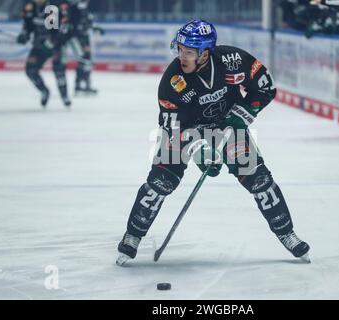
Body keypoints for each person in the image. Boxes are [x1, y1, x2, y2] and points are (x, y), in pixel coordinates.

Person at [116, 20, 311, 266]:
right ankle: (132, 235)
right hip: (184, 131)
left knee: (260, 180)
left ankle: (287, 234)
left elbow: (265, 87)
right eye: (179, 50)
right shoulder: (172, 81)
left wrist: (241, 115)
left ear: (205, 54)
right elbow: (171, 128)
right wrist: (200, 150)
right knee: (159, 183)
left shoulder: (232, 60)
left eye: (188, 52)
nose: (181, 57)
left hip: (228, 126)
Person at [16, 0, 73, 108]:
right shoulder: (30, 7)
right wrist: (24, 35)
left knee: (59, 70)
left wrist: (54, 41)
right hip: (39, 46)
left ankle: (64, 96)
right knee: (30, 70)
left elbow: (62, 29)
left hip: (55, 45)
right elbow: (27, 26)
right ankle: (44, 91)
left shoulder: (53, 7)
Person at [69, 0, 101, 95]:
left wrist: (95, 28)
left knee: (86, 61)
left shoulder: (85, 7)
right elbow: (74, 22)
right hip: (79, 37)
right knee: (84, 61)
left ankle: (84, 85)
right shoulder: (76, 7)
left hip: (84, 37)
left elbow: (88, 22)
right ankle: (79, 86)